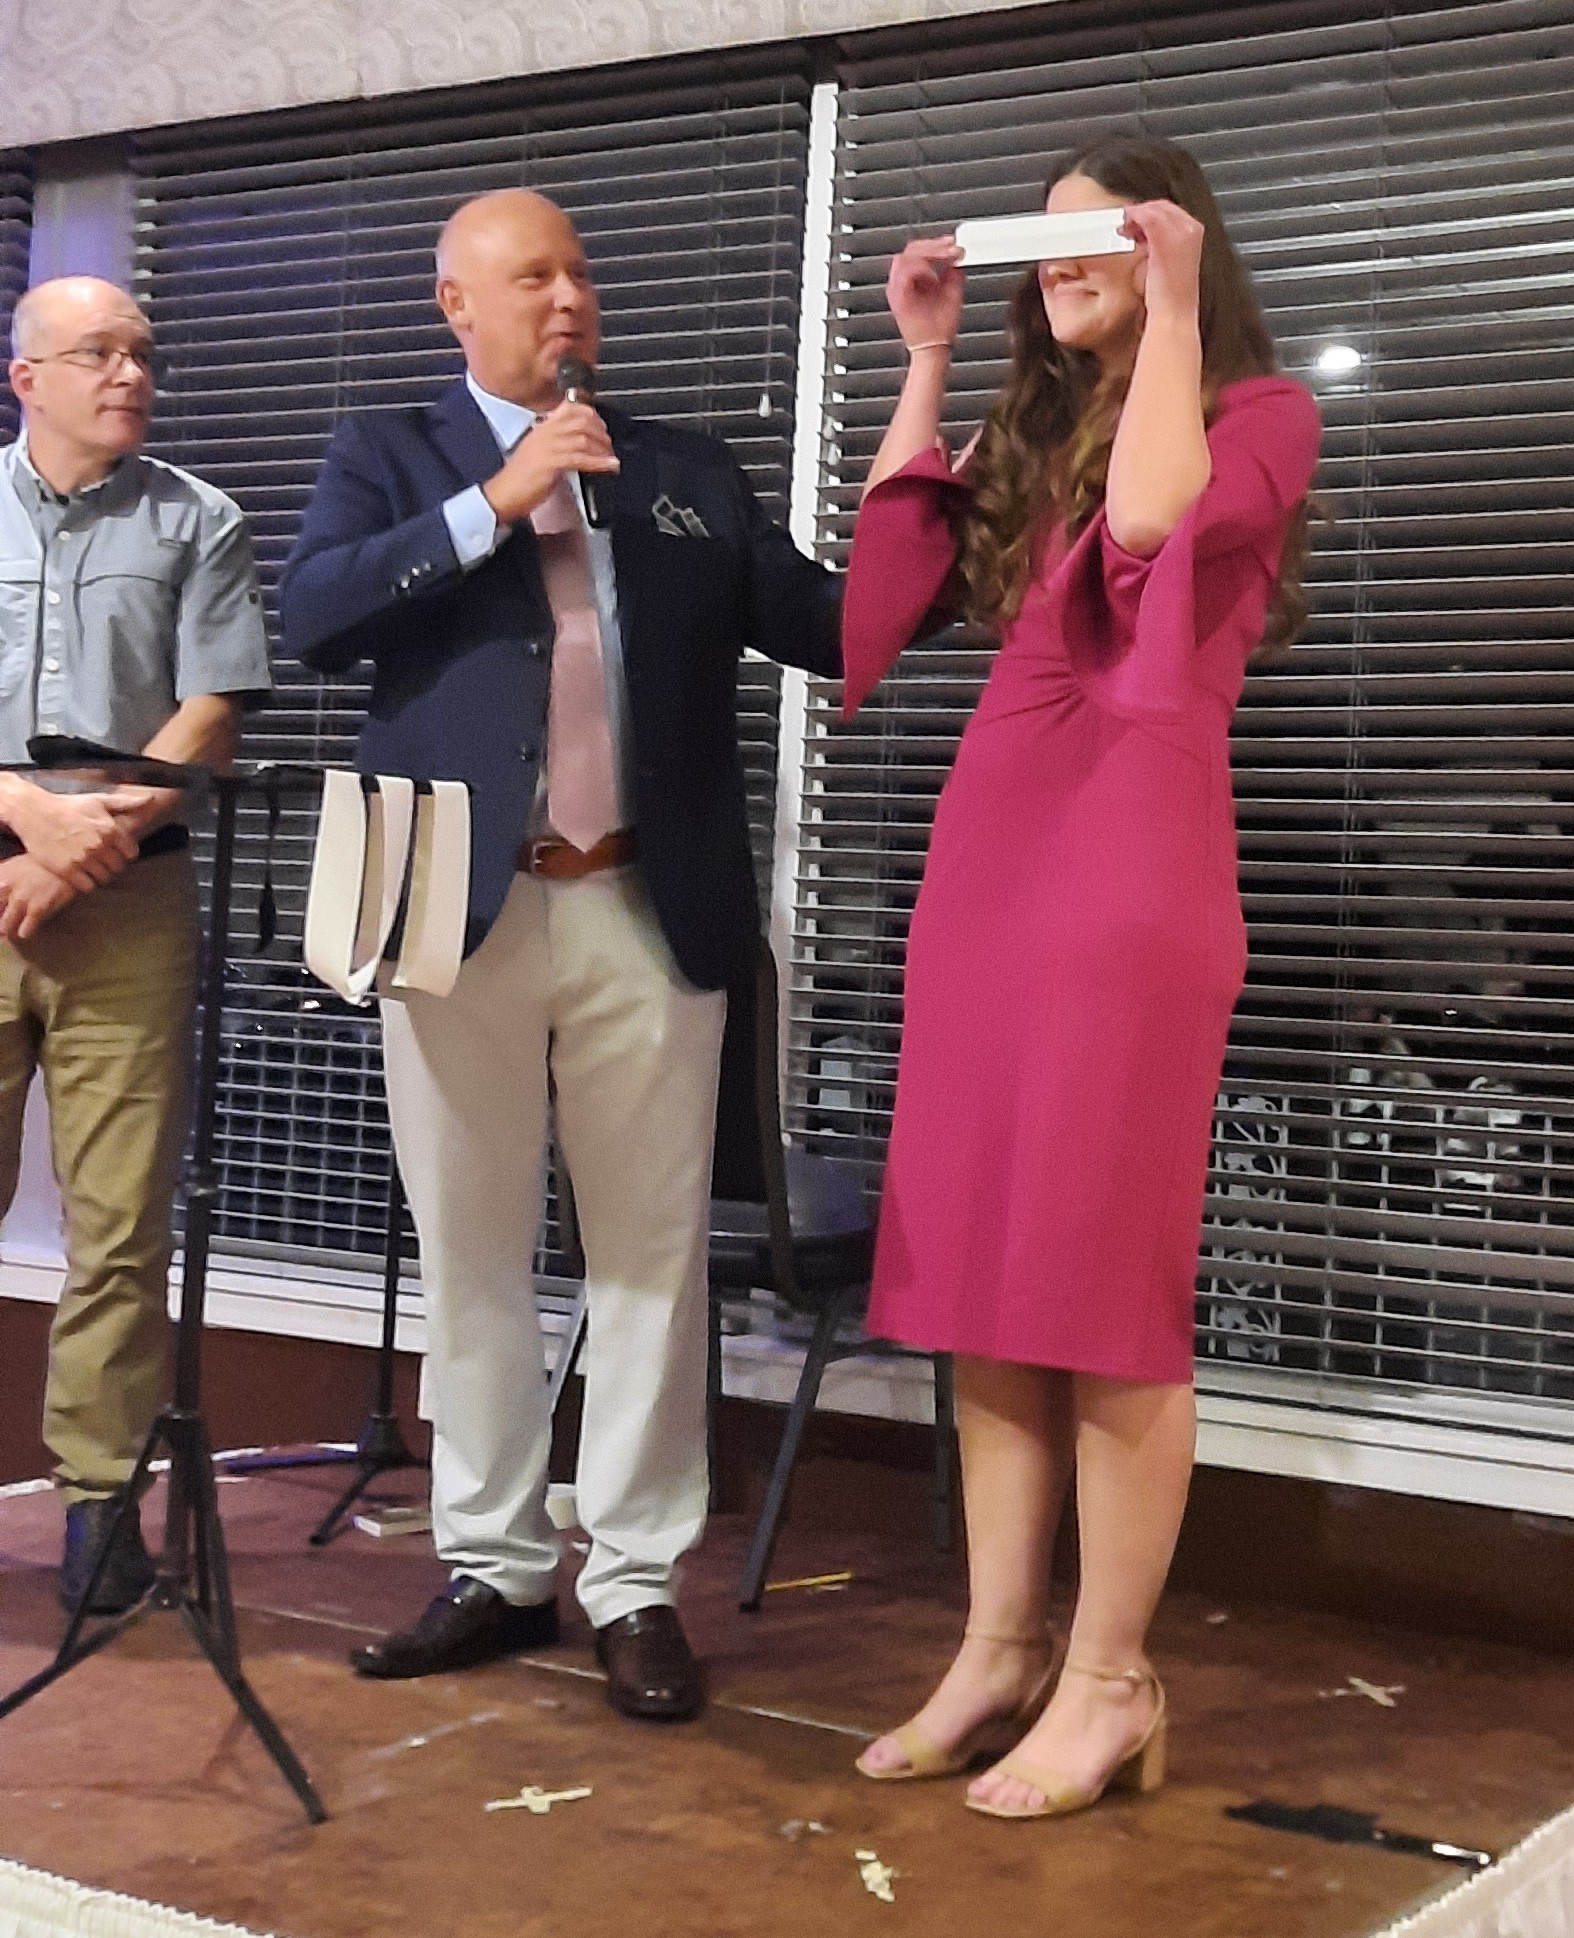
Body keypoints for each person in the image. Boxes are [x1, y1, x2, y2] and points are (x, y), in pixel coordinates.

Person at [280, 189, 841, 1721]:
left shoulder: (681, 471)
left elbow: (827, 623)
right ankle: (496, 1564)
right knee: (468, 1249)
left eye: (581, 271)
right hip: (454, 904)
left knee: (649, 1256)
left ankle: (636, 1580)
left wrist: (951, 509)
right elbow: (314, 614)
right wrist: (496, 499)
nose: (570, 297)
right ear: (456, 303)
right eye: (533, 275)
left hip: (643, 905)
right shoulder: (388, 453)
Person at [840, 135, 1320, 1817]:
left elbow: (1154, 519)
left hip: (1132, 873)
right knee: (988, 1277)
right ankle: (997, 1647)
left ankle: (1112, 1676)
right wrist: (924, 356)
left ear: (1172, 240)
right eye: (1037, 242)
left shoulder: (1261, 413)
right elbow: (883, 589)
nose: (1057, 263)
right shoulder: (1031, 431)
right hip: (991, 866)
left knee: (1104, 1288)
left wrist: (1173, 307)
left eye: (1094, 234)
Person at [0, 276, 272, 1614]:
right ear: (26, 378)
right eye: (99, 353)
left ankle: (101, 1503)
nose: (130, 374)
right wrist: (26, 816)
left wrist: (82, 839)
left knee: (118, 1226)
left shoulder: (198, 518)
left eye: (143, 354)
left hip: (134, 902)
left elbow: (210, 711)